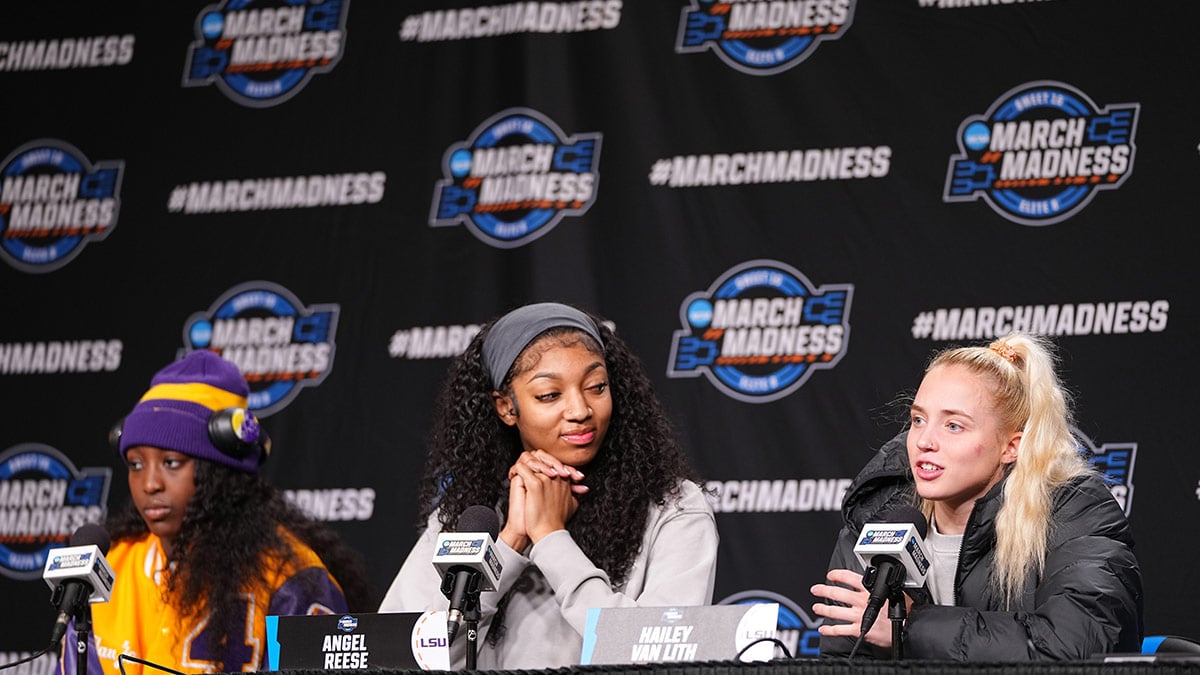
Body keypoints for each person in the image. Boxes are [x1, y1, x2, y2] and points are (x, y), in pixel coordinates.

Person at [379, 302, 718, 668]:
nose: (580, 410)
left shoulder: (672, 506)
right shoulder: (472, 516)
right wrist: (509, 544)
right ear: (507, 408)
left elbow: (662, 652)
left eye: (596, 387)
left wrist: (552, 539)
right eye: (549, 395)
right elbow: (405, 659)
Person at [811, 333, 1143, 660]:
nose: (924, 441)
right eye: (918, 419)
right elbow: (844, 658)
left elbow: (1079, 646)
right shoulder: (879, 514)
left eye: (954, 426)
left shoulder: (1075, 510)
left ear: (1011, 447)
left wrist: (910, 625)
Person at [64, 350, 370, 675]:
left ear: (219, 474)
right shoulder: (110, 568)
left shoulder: (288, 576)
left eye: (171, 463)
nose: (150, 483)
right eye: (136, 464)